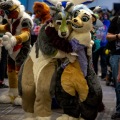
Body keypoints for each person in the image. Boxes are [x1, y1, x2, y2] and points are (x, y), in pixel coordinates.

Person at [106, 10, 120, 119]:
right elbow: (108, 36)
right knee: (118, 84)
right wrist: (118, 36)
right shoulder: (116, 20)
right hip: (117, 55)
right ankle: (119, 110)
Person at [0, 9, 8, 88]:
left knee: (3, 60)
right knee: (3, 61)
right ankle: (1, 81)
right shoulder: (5, 15)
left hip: (4, 40)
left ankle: (1, 80)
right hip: (3, 41)